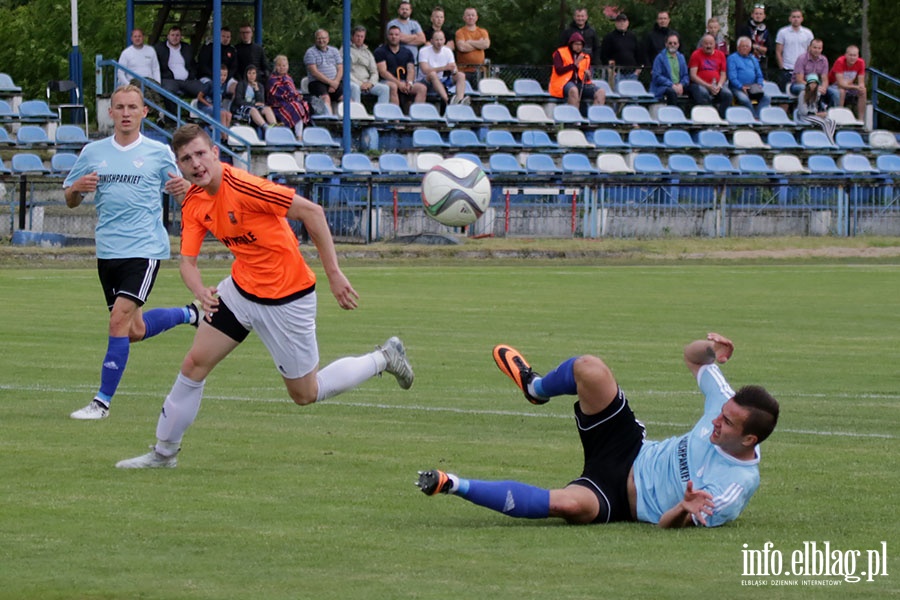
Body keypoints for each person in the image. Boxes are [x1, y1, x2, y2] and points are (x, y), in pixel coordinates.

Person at [115, 124, 415, 469]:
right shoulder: (195, 201)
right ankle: (163, 453)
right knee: (194, 364)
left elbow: (312, 213)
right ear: (179, 167)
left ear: (215, 154)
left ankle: (384, 358)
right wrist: (199, 290)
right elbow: (187, 262)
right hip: (240, 292)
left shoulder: (245, 186)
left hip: (288, 299)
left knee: (305, 394)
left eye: (200, 154)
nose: (196, 163)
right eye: (186, 158)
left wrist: (334, 273)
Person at [417, 333, 779, 528]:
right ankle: (535, 388)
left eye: (727, 423)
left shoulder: (735, 486)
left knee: (567, 504)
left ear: (749, 439)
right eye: (722, 414)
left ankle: (451, 484)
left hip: (619, 500)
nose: (718, 420)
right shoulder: (724, 404)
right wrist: (711, 349)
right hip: (630, 448)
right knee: (590, 368)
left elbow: (669, 526)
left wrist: (683, 509)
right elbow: (692, 356)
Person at [63, 85, 198, 420]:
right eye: (119, 107)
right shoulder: (93, 152)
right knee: (133, 330)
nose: (126, 113)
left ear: (144, 112)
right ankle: (191, 314)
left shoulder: (158, 152)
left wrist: (186, 191)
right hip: (108, 251)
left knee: (117, 321)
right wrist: (77, 189)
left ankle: (102, 402)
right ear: (111, 112)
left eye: (132, 107)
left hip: (145, 249)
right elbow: (69, 197)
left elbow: (189, 199)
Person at [375, 25, 428, 109]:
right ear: (387, 36)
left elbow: (411, 69)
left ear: (400, 36)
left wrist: (409, 83)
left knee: (422, 88)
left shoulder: (407, 52)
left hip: (404, 82)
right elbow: (383, 72)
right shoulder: (380, 51)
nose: (393, 37)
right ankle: (396, 119)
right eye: (391, 34)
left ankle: (416, 118)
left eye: (396, 35)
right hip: (386, 81)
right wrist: (399, 83)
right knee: (393, 86)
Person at [155, 26, 204, 114]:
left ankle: (204, 117)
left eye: (177, 35)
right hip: (169, 79)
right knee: (168, 92)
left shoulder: (187, 48)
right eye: (172, 35)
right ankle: (174, 119)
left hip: (188, 80)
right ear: (168, 36)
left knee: (205, 89)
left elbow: (193, 64)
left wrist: (192, 75)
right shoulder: (159, 48)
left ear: (181, 37)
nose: (175, 37)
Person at [549, 32, 606, 107]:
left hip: (580, 84)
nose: (578, 47)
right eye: (576, 44)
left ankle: (595, 116)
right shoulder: (560, 53)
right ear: (571, 44)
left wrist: (588, 75)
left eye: (580, 45)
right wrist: (574, 65)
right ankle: (574, 116)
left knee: (601, 92)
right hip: (564, 83)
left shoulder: (586, 57)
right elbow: (559, 70)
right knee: (574, 90)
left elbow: (585, 76)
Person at [344, 25, 391, 106]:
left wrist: (371, 83)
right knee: (355, 88)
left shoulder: (367, 52)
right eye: (357, 36)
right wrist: (359, 83)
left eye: (362, 36)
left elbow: (374, 71)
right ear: (352, 37)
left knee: (384, 89)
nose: (359, 38)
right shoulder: (345, 49)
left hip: (367, 83)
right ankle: (356, 117)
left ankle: (381, 117)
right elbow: (344, 71)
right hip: (352, 82)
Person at [417, 30, 467, 105]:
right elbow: (425, 70)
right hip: (425, 81)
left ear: (444, 40)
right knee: (433, 74)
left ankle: (459, 100)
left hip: (441, 80)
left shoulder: (447, 51)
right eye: (437, 40)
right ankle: (448, 100)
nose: (439, 42)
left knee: (461, 75)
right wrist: (444, 68)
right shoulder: (423, 51)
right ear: (431, 41)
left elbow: (454, 69)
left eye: (441, 40)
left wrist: (453, 70)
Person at [688, 34, 733, 118]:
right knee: (703, 93)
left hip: (716, 85)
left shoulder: (721, 55)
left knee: (728, 95)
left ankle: (720, 117)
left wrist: (719, 85)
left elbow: (723, 74)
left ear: (714, 44)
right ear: (702, 44)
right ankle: (708, 118)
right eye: (706, 43)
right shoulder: (696, 54)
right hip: (699, 85)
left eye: (711, 43)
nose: (708, 46)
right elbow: (693, 75)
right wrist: (707, 86)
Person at [267, 55, 310, 138]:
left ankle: (300, 135)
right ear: (275, 66)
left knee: (303, 105)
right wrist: (293, 97)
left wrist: (297, 96)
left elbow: (293, 91)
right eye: (279, 65)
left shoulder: (288, 78)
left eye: (284, 65)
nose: (282, 67)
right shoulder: (272, 79)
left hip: (290, 102)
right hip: (278, 105)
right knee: (296, 107)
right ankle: (298, 136)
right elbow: (279, 95)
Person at [304, 29, 344, 116]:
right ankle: (329, 121)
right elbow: (314, 72)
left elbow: (340, 68)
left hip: (335, 82)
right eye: (319, 38)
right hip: (317, 82)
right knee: (325, 98)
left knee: (347, 99)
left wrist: (335, 82)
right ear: (315, 40)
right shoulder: (310, 52)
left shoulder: (334, 51)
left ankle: (348, 123)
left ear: (328, 39)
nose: (321, 40)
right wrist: (331, 83)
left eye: (323, 38)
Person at [728, 36, 770, 118]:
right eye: (742, 46)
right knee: (744, 99)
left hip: (753, 88)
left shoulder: (753, 59)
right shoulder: (732, 58)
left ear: (750, 48)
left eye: (747, 46)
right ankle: (753, 118)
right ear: (738, 47)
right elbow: (732, 77)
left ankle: (757, 117)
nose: (744, 48)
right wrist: (741, 86)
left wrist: (760, 84)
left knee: (766, 98)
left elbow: (759, 75)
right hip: (737, 87)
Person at [790, 39, 838, 107]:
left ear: (822, 49)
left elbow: (825, 79)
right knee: (808, 89)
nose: (817, 50)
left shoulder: (824, 60)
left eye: (819, 48)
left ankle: (830, 113)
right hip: (799, 84)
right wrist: (815, 87)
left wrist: (824, 87)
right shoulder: (802, 59)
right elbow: (799, 80)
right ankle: (811, 111)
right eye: (814, 47)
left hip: (817, 85)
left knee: (835, 93)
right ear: (809, 47)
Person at [600, 13, 644, 85]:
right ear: (616, 23)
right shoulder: (609, 37)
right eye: (619, 22)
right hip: (616, 73)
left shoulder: (633, 37)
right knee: (618, 94)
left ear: (628, 23)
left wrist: (638, 70)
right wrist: (611, 71)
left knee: (632, 95)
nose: (622, 23)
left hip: (632, 73)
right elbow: (603, 55)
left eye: (624, 21)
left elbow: (639, 53)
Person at [775, 9, 813, 91]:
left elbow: (811, 52)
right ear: (790, 18)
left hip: (803, 71)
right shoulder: (782, 32)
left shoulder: (808, 33)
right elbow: (778, 51)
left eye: (798, 17)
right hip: (787, 69)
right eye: (794, 17)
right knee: (784, 97)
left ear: (802, 19)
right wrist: (782, 67)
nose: (796, 19)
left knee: (805, 92)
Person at [828, 45, 867, 119]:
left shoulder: (861, 63)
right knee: (842, 91)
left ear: (858, 56)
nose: (852, 58)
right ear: (846, 55)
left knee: (863, 91)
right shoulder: (840, 62)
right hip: (833, 85)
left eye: (854, 55)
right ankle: (840, 117)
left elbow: (861, 81)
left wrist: (861, 87)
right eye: (850, 55)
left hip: (849, 85)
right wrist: (855, 87)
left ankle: (861, 119)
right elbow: (840, 84)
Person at [796, 73, 837, 144]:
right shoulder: (803, 94)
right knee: (823, 123)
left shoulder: (817, 94)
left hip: (815, 115)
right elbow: (803, 111)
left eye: (815, 84)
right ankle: (831, 143)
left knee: (832, 122)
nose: (813, 86)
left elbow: (818, 107)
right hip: (805, 116)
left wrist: (822, 113)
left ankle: (827, 139)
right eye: (811, 83)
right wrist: (816, 114)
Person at [649, 34, 688, 105]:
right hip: (663, 87)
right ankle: (672, 114)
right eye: (670, 43)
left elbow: (685, 75)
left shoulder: (681, 57)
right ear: (666, 44)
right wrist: (672, 85)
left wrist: (681, 85)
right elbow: (657, 76)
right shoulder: (660, 58)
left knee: (695, 90)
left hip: (679, 86)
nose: (672, 45)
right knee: (672, 93)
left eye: (675, 43)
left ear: (678, 45)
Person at [454, 7, 490, 79]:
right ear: (464, 17)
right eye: (468, 15)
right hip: (464, 71)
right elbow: (462, 47)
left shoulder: (483, 31)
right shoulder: (460, 32)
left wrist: (470, 42)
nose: (471, 17)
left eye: (473, 15)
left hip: (480, 70)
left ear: (476, 17)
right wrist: (479, 44)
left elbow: (486, 44)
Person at [736, 3, 770, 76]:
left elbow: (769, 49)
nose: (758, 16)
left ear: (764, 16)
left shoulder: (766, 30)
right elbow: (742, 46)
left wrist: (755, 46)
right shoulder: (744, 28)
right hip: (746, 61)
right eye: (756, 14)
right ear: (752, 15)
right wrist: (757, 48)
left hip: (762, 63)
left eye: (761, 14)